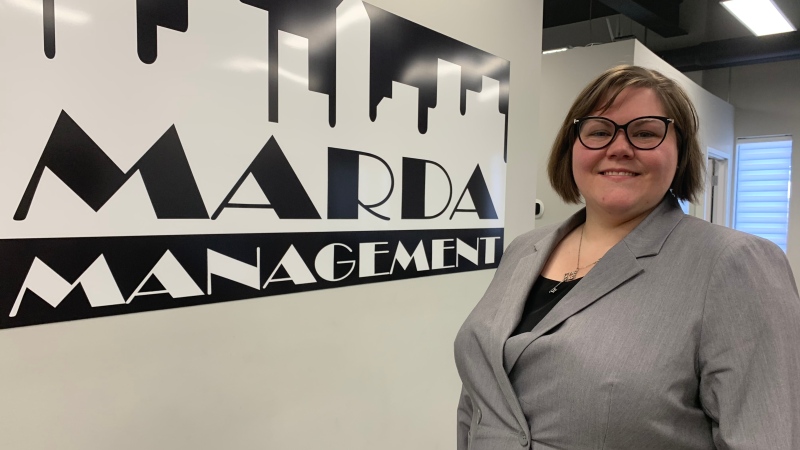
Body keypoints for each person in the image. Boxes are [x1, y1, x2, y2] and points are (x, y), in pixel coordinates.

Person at [454, 65, 800, 450]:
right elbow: (481, 396)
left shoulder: (735, 264)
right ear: (572, 147)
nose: (619, 147)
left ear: (680, 152)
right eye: (599, 131)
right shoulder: (524, 249)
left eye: (645, 133)